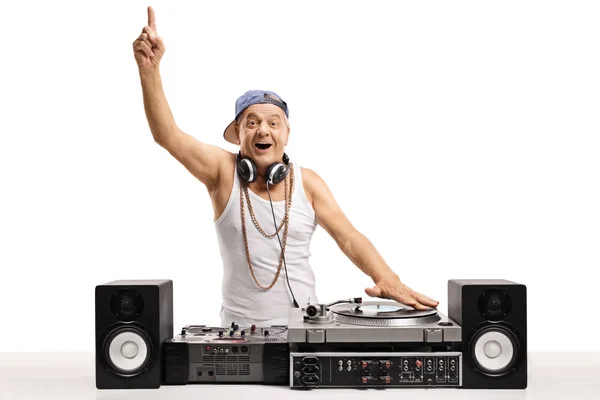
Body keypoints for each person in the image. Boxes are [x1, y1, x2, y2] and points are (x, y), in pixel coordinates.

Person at [132, 6, 439, 327]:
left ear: (286, 134)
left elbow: (349, 236)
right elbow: (167, 135)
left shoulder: (308, 183)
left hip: (304, 333)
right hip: (239, 334)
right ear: (238, 134)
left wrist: (388, 278)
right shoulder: (221, 171)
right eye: (252, 122)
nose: (263, 130)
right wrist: (149, 70)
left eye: (273, 122)